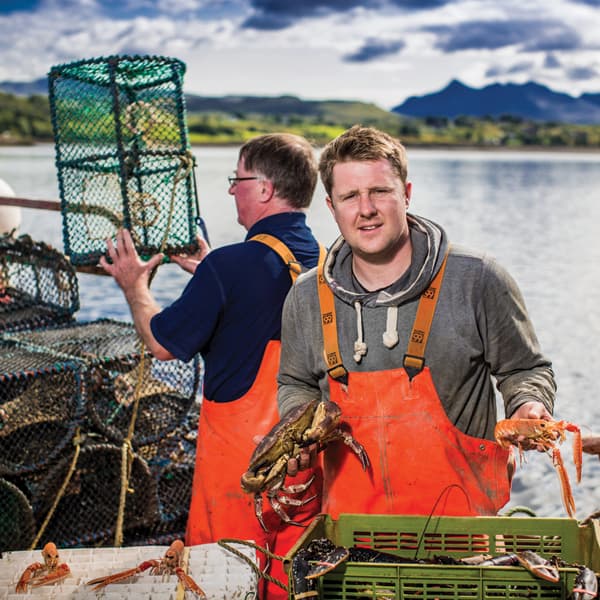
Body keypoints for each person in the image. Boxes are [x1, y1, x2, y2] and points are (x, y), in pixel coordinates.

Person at [277, 125, 556, 519]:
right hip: (350, 536)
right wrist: (299, 428)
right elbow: (295, 381)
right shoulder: (306, 296)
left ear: (406, 194)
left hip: (466, 536)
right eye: (350, 196)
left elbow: (525, 369)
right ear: (331, 207)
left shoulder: (478, 278)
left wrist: (528, 404)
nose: (366, 209)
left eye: (380, 191)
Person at [100, 133, 323, 599]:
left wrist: (133, 285)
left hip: (239, 470)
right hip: (304, 465)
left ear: (264, 188)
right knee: (289, 578)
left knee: (225, 578)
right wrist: (209, 272)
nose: (230, 190)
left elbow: (161, 342)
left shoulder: (228, 267)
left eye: (237, 179)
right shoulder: (326, 259)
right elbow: (258, 297)